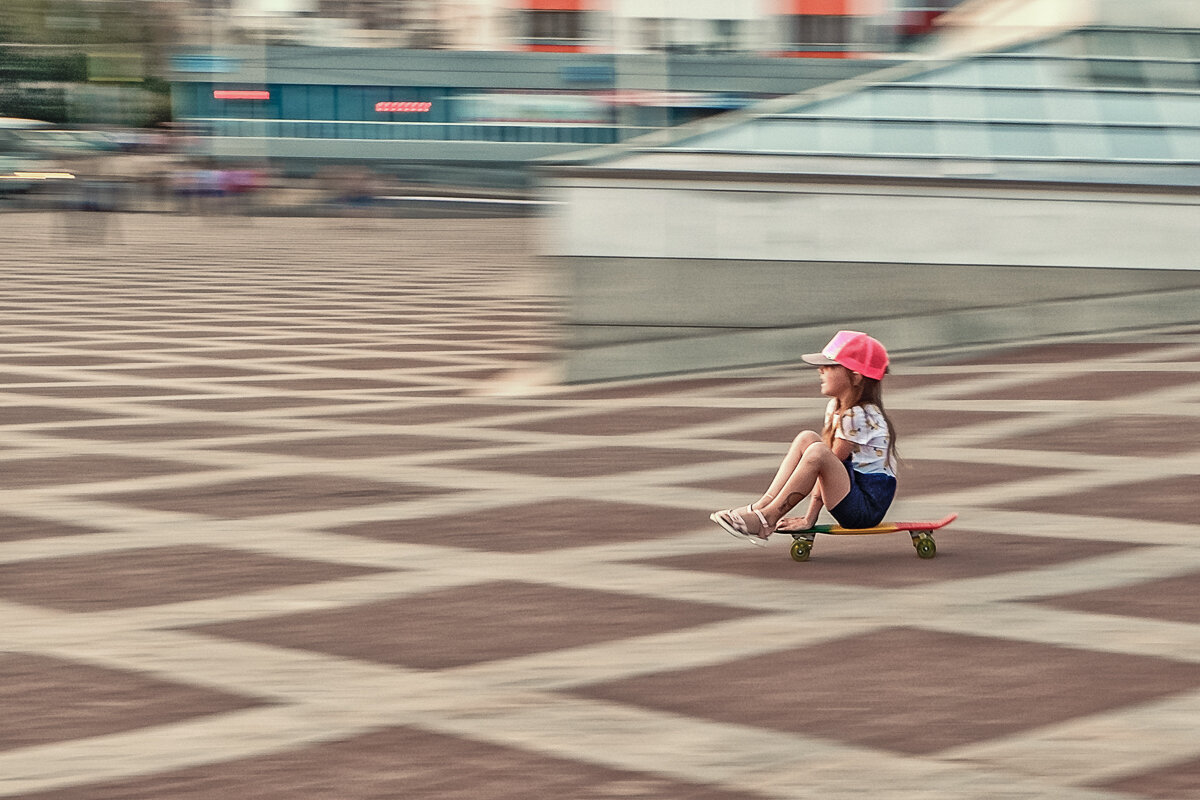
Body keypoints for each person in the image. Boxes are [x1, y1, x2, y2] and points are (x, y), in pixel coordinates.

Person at [710, 330, 898, 546]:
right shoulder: (837, 408)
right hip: (850, 490)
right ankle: (762, 507)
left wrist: (810, 518)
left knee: (817, 452)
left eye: (830, 366)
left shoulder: (858, 415)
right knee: (806, 438)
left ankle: (766, 519)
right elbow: (827, 465)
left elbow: (825, 464)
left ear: (855, 376)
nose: (820, 370)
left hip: (865, 506)